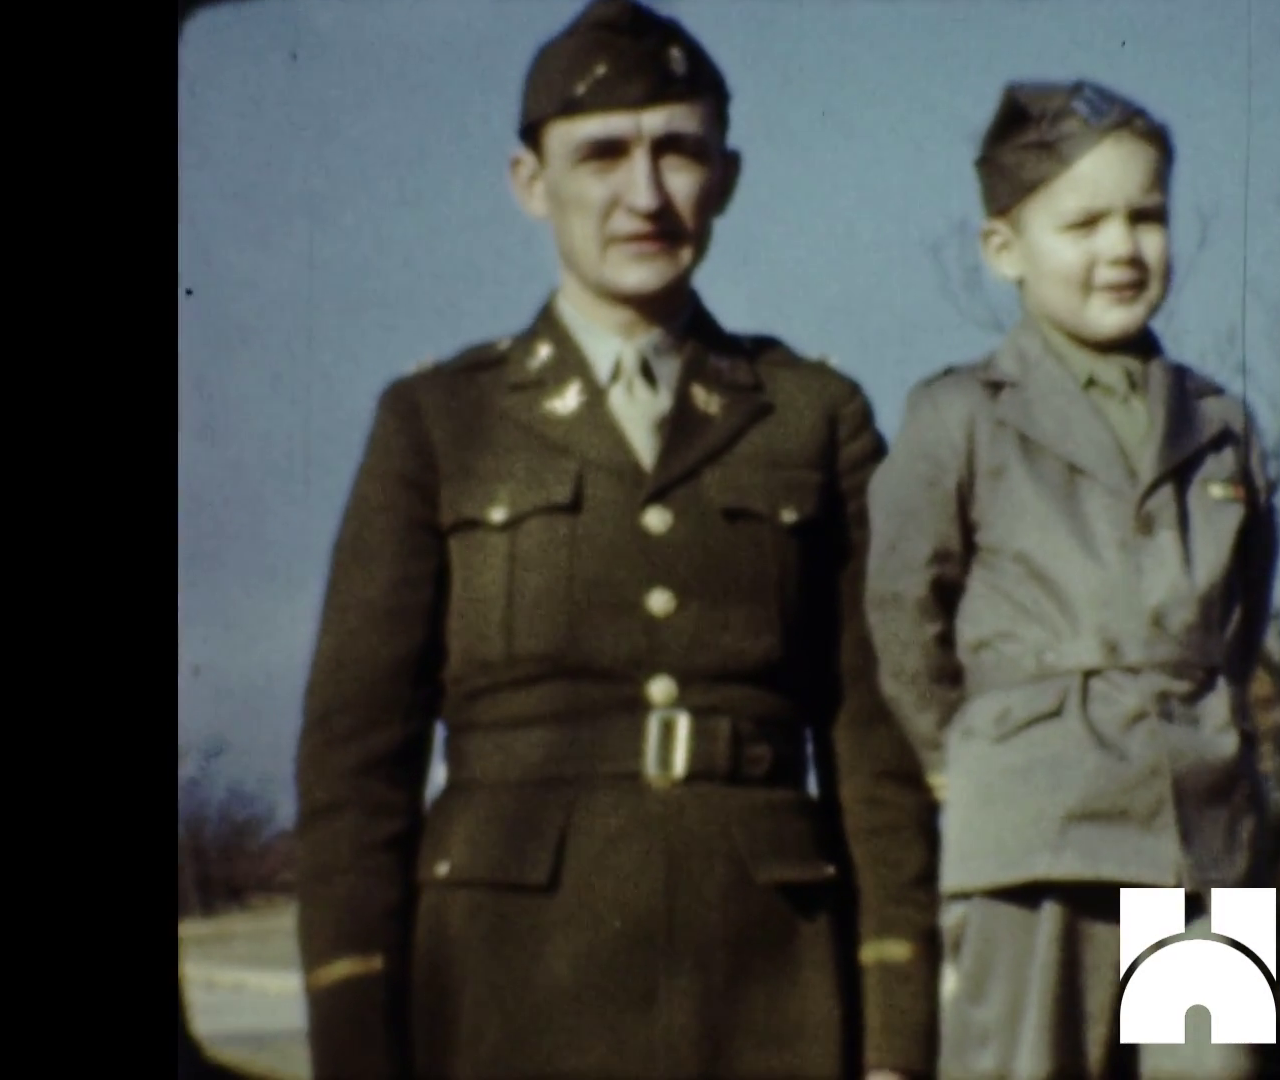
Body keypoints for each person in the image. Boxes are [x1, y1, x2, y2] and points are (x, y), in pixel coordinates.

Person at [291, 3, 938, 1077]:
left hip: (769, 988)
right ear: (530, 183)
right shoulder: (439, 422)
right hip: (505, 989)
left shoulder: (813, 413)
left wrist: (896, 1045)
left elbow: (878, 751)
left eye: (678, 150)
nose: (644, 194)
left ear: (725, 176)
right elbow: (355, 768)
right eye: (602, 155)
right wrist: (357, 1037)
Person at [863, 78, 1280, 1080]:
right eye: (1083, 222)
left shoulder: (1221, 424)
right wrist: (964, 759)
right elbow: (899, 607)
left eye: (1147, 216)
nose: (1122, 248)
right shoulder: (960, 414)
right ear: (1004, 248)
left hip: (1202, 829)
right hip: (1037, 827)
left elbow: (1239, 617)